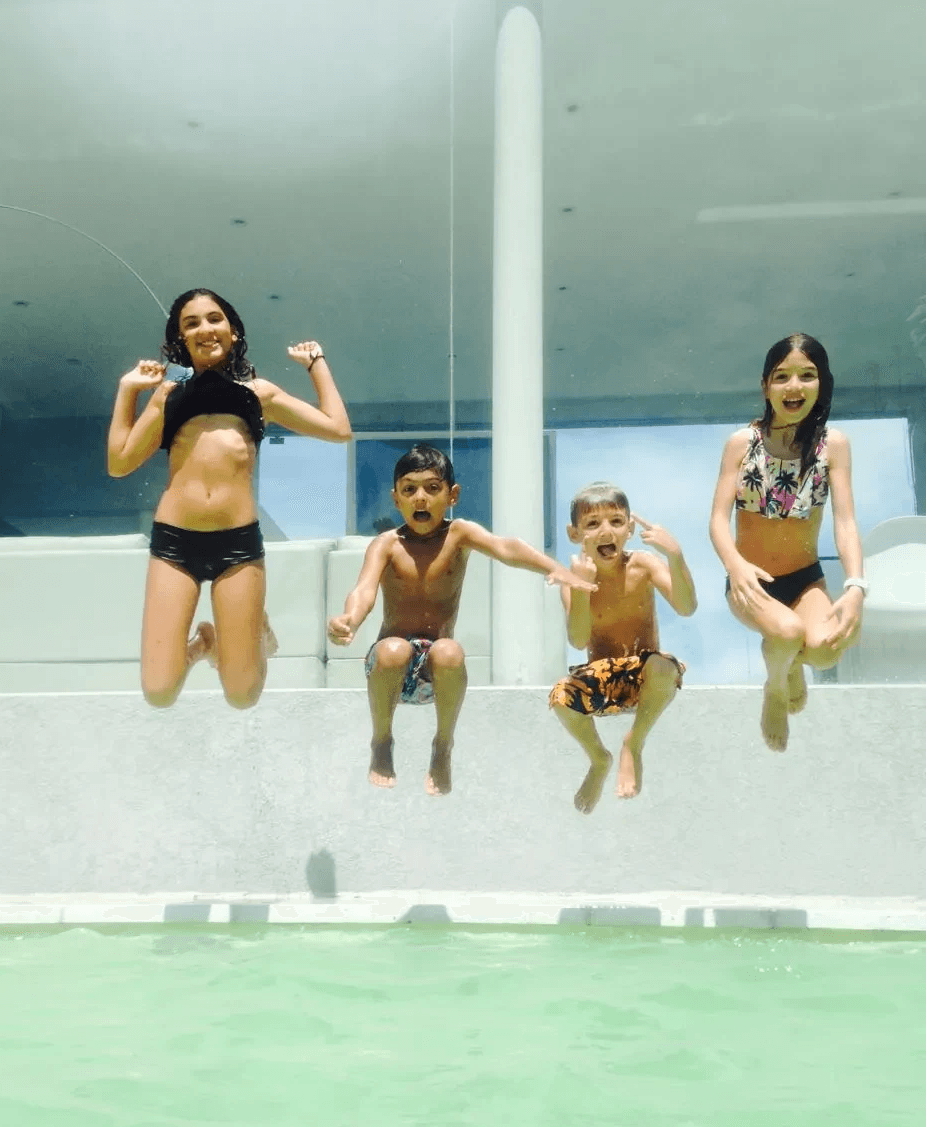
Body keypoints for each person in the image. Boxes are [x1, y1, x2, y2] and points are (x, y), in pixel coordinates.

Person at [107, 287, 352, 708]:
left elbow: (338, 428)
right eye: (191, 323)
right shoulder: (168, 396)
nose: (205, 328)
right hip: (174, 544)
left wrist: (316, 364)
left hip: (237, 546)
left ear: (234, 332)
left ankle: (258, 632)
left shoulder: (258, 394)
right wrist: (129, 390)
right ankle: (206, 644)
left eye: (215, 318)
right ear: (179, 341)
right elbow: (120, 462)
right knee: (159, 692)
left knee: (243, 696)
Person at [327, 443, 596, 796]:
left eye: (432, 488)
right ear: (396, 500)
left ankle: (443, 746)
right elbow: (364, 590)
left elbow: (507, 548)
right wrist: (350, 619)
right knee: (393, 649)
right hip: (389, 669)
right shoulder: (387, 544)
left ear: (452, 495)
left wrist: (556, 569)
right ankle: (381, 741)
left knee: (449, 651)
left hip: (437, 673)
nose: (420, 498)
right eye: (409, 490)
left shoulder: (460, 535)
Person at [709, 332, 865, 752]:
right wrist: (735, 567)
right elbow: (717, 520)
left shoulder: (834, 447)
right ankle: (775, 687)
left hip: (805, 579)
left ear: (822, 384)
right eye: (782, 377)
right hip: (751, 580)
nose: (794, 387)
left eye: (807, 375)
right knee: (786, 631)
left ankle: (793, 658)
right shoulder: (743, 444)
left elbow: (845, 522)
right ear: (766, 386)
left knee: (826, 651)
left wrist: (855, 587)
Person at [549, 483, 696, 811]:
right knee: (560, 697)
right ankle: (599, 758)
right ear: (575, 534)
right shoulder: (571, 578)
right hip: (602, 681)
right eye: (592, 524)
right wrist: (582, 587)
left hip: (645, 678)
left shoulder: (643, 565)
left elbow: (687, 607)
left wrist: (675, 556)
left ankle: (634, 743)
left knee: (662, 665)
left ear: (630, 528)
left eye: (616, 522)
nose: (606, 532)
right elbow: (577, 639)